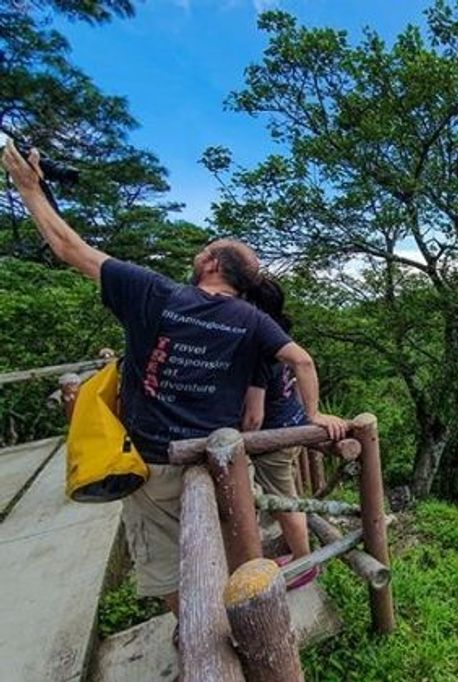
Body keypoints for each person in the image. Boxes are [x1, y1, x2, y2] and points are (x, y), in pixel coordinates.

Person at [1, 140, 346, 617]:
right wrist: (314, 414)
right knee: (235, 553)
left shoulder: (154, 294)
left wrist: (28, 190)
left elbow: (67, 247)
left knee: (168, 567)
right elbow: (302, 360)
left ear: (209, 265)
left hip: (156, 463)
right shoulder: (252, 321)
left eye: (203, 250)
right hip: (220, 460)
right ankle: (243, 628)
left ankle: (193, 634)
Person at [242, 276, 317, 589]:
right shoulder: (281, 337)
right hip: (294, 425)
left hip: (274, 439)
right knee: (289, 498)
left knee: (285, 503)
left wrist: (241, 441)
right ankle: (300, 554)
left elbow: (254, 416)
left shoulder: (258, 349)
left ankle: (305, 563)